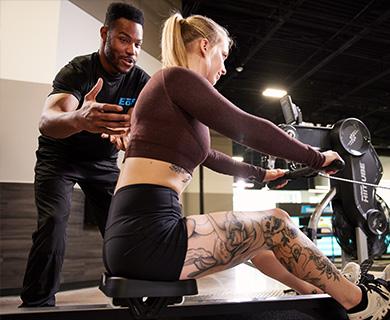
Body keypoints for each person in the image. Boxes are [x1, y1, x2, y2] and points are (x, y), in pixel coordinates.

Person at [102, 12, 390, 320]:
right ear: (204, 46)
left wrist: (264, 175)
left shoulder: (169, 93)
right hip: (149, 237)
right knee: (276, 223)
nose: (224, 68)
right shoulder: (176, 79)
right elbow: (245, 127)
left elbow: (211, 156)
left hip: (134, 236)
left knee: (257, 245)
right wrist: (316, 158)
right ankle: (362, 304)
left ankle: (313, 290)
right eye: (222, 56)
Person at [20, 2, 150, 307]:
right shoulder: (79, 70)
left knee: (122, 224)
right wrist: (80, 118)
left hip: (102, 162)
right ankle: (37, 302)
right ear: (105, 33)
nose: (131, 50)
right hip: (60, 159)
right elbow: (47, 121)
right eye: (123, 39)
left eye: (138, 43)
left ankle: (129, 295)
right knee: (53, 220)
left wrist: (132, 137)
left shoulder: (141, 81)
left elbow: (143, 129)